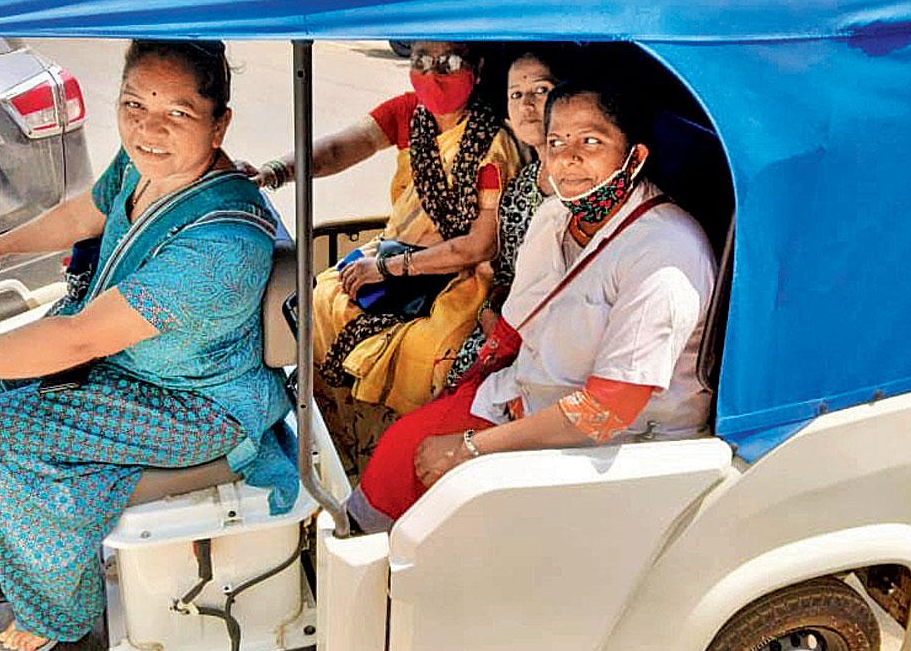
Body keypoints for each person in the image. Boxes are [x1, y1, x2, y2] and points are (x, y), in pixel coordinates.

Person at [0, 40, 297, 651]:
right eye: (133, 105)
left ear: (219, 121)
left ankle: (57, 611)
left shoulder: (223, 242)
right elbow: (85, 215)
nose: (148, 128)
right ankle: (35, 526)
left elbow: (78, 337)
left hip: (195, 406)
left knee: (2, 433)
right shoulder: (148, 165)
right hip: (128, 362)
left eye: (177, 112)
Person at [346, 77, 718, 532]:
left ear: (634, 157)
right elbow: (521, 316)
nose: (567, 158)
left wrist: (471, 447)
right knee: (402, 449)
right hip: (531, 397)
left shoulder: (666, 252)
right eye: (557, 141)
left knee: (440, 496)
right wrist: (468, 382)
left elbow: (609, 408)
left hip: (618, 446)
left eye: (591, 141)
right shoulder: (558, 213)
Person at [251, 40, 521, 468]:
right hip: (393, 258)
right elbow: (342, 147)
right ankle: (341, 450)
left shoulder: (495, 141)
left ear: (478, 67)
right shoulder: (408, 113)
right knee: (321, 298)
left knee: (429, 348)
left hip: (463, 275)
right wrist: (276, 172)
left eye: (449, 62)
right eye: (421, 61)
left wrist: (391, 268)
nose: (433, 73)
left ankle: (403, 459)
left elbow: (480, 245)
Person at [444, 45, 570, 387]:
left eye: (541, 91)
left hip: (551, 355)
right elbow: (507, 273)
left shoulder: (583, 188)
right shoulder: (522, 186)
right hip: (499, 338)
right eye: (516, 94)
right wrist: (492, 307)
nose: (527, 106)